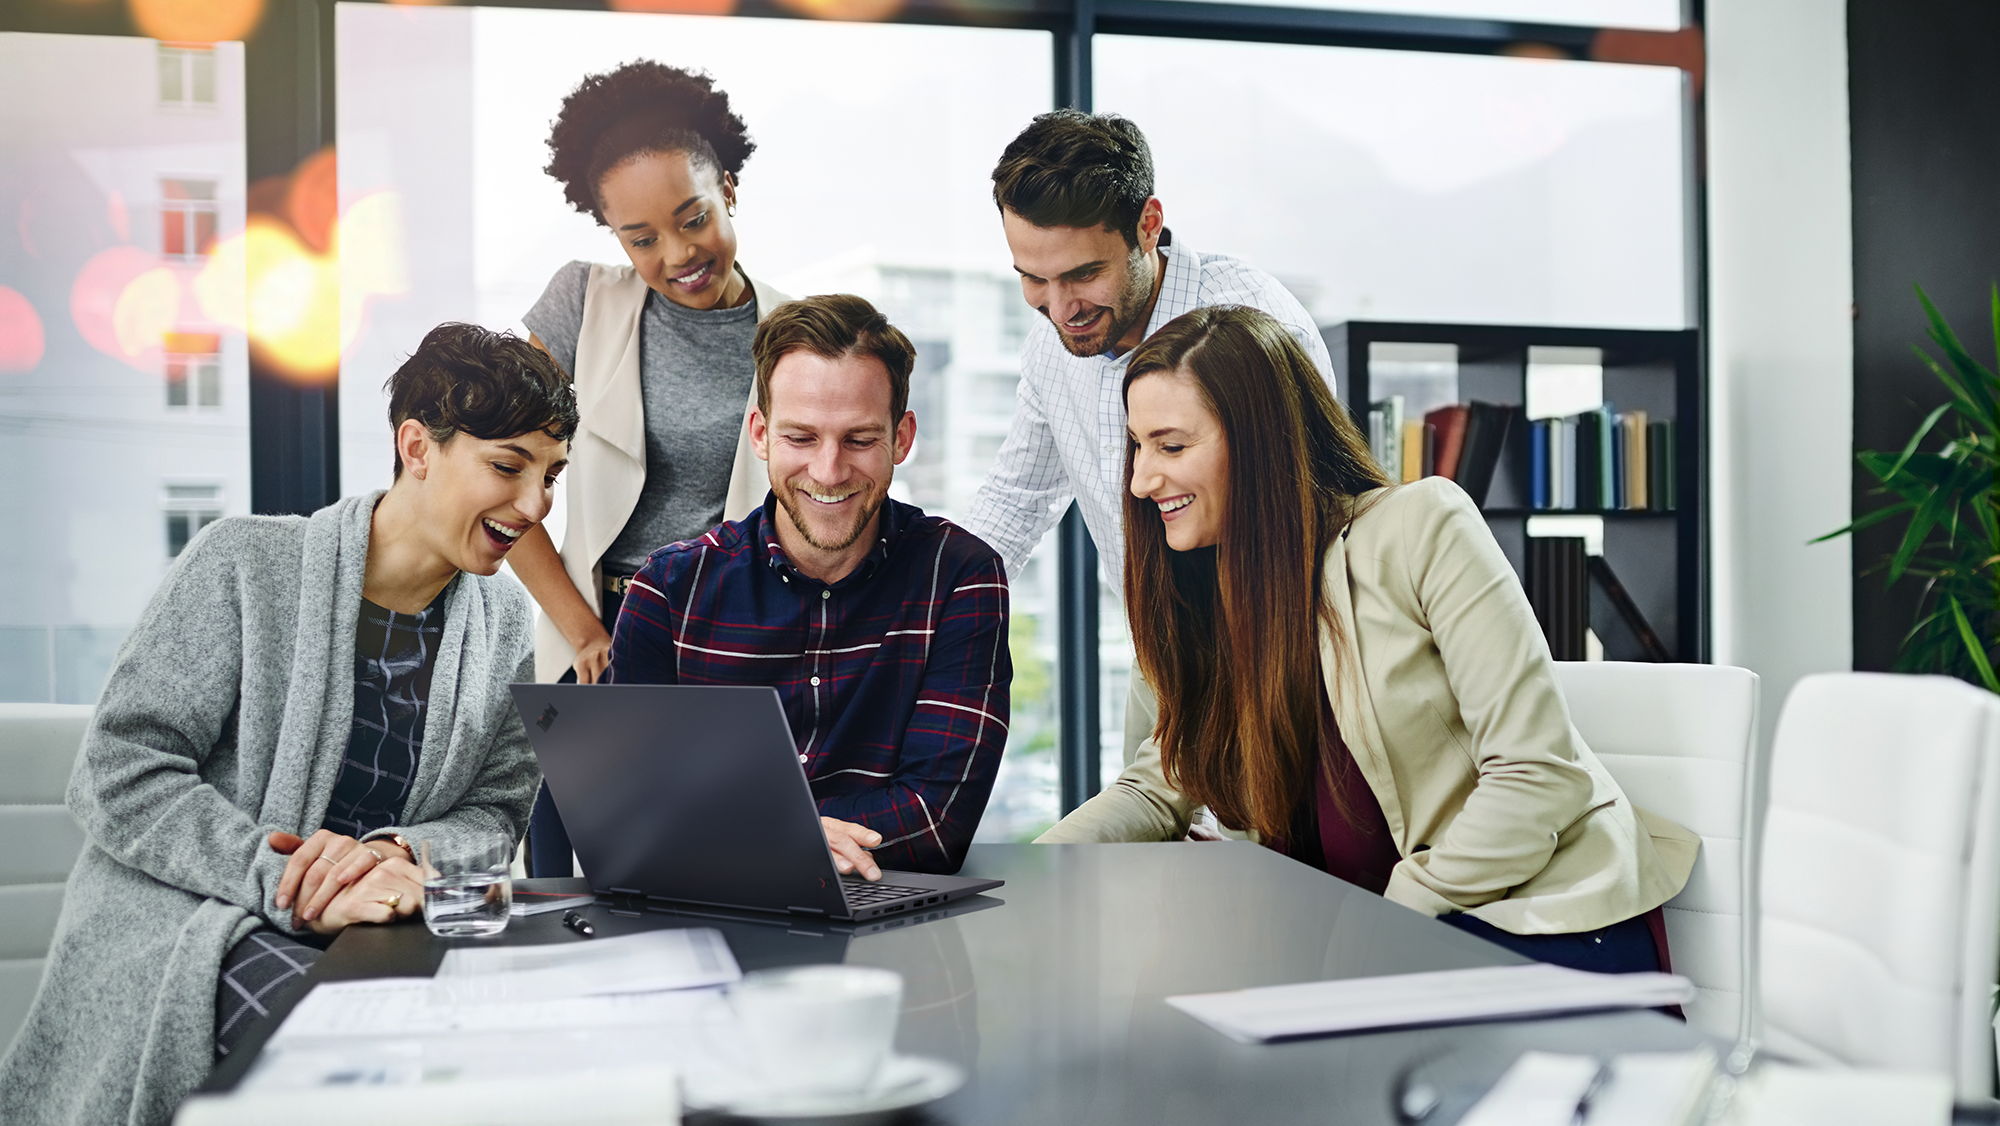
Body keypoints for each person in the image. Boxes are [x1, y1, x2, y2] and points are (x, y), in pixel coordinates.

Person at [0, 324, 575, 1125]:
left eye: (552, 476)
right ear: (417, 445)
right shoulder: (242, 564)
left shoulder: (508, 623)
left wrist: (394, 855)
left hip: (383, 925)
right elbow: (119, 772)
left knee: (526, 1053)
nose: (535, 504)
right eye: (508, 467)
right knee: (364, 1072)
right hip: (195, 924)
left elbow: (496, 812)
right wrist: (295, 884)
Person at [1038, 305, 1698, 974]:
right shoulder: (1193, 596)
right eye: (1137, 445)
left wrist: (1386, 920)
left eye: (1171, 446)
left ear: (1261, 442)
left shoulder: (1419, 529)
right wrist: (1031, 877)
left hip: (1529, 918)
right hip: (1369, 945)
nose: (1141, 479)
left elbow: (1537, 773)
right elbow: (1157, 789)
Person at [605, 294, 1010, 877]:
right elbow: (626, 807)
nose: (828, 471)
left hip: (893, 937)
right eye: (801, 438)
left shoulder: (961, 578)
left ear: (902, 438)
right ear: (761, 434)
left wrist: (731, 830)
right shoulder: (668, 592)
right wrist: (792, 835)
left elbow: (935, 819)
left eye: (860, 440)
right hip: (711, 923)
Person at [504, 61, 792, 874]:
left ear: (728, 188)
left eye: (692, 217)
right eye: (641, 239)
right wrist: (584, 630)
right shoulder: (581, 304)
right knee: (566, 898)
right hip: (597, 650)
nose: (677, 253)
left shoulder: (795, 330)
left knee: (719, 891)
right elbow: (501, 487)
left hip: (735, 649)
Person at [962, 109, 1334, 586]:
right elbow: (1014, 503)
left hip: (1276, 639)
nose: (1059, 310)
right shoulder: (1050, 346)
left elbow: (1313, 519)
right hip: (1155, 650)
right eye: (1034, 278)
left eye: (1084, 274)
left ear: (1148, 225)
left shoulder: (1263, 327)